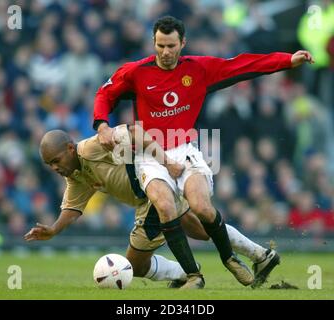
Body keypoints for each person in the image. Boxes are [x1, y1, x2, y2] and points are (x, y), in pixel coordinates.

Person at [93, 16, 313, 288]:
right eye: (160, 45)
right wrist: (102, 125)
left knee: (201, 209)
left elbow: (243, 64)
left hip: (185, 149)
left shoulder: (199, 69)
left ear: (183, 43)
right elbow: (105, 93)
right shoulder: (136, 71)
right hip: (149, 155)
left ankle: (230, 259)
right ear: (153, 42)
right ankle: (194, 276)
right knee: (165, 206)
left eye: (171, 45)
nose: (165, 52)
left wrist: (287, 60)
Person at [24, 128, 278, 288]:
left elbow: (135, 132)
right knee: (201, 230)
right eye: (50, 165)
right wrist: (54, 230)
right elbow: (72, 208)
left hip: (154, 193)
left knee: (134, 265)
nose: (55, 168)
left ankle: (187, 275)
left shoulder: (91, 148)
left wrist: (165, 163)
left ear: (70, 149)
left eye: (56, 160)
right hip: (150, 198)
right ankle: (262, 256)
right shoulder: (76, 176)